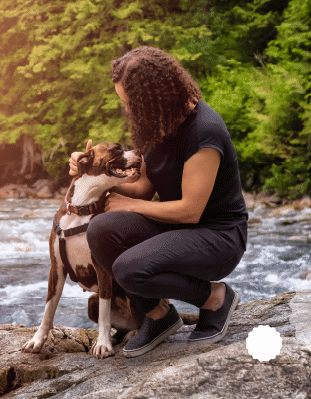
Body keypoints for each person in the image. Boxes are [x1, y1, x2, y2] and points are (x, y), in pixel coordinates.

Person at [70, 46, 248, 358]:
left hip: (218, 237)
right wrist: (85, 170)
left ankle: (215, 298)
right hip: (174, 228)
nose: (127, 111)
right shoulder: (156, 126)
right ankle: (159, 316)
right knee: (100, 230)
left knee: (128, 268)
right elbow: (141, 189)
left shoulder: (204, 131)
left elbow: (191, 211)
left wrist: (131, 207)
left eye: (130, 103)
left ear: (156, 96)